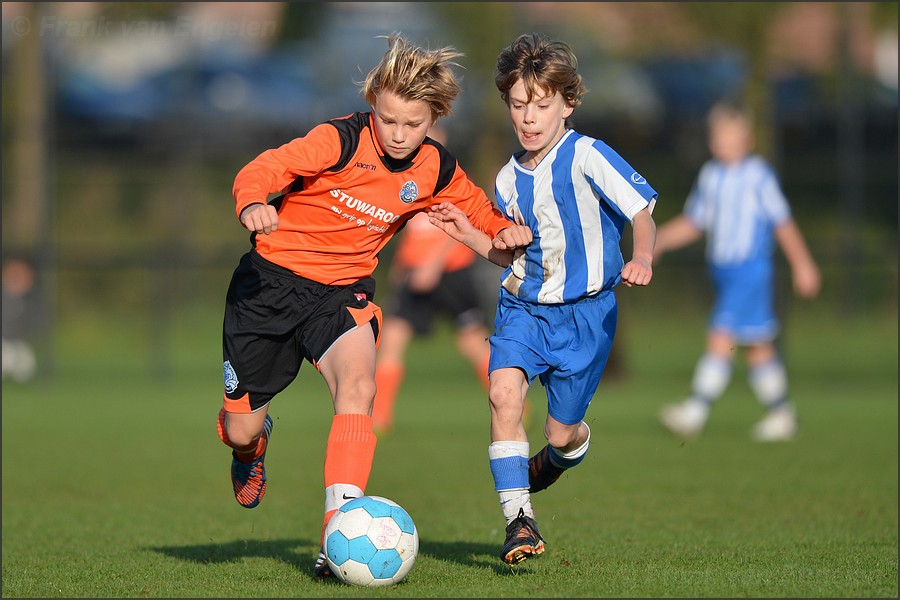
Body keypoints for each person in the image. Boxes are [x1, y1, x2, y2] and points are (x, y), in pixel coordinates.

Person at [216, 34, 532, 580]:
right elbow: (263, 168)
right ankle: (251, 449)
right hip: (267, 288)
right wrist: (252, 203)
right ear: (373, 106)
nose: (400, 134)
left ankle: (333, 539)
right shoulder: (335, 141)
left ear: (434, 119)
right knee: (240, 427)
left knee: (359, 388)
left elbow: (478, 209)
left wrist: (507, 229)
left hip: (341, 296)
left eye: (414, 124)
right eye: (388, 120)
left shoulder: (433, 168)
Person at [428, 32, 658, 565]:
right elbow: (508, 256)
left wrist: (641, 257)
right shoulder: (507, 180)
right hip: (523, 309)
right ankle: (519, 521)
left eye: (541, 104)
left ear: (567, 104)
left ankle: (560, 455)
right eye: (517, 104)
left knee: (561, 434)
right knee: (503, 396)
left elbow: (641, 212)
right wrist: (466, 231)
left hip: (587, 317)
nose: (528, 117)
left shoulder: (589, 155)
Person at [656, 100, 821, 442]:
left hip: (751, 270)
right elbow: (695, 221)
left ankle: (695, 411)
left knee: (721, 334)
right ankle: (782, 414)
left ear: (748, 140)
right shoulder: (710, 176)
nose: (726, 143)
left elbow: (783, 223)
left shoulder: (758, 176)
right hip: (725, 272)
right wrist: (660, 240)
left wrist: (803, 264)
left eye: (733, 136)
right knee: (758, 346)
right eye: (720, 136)